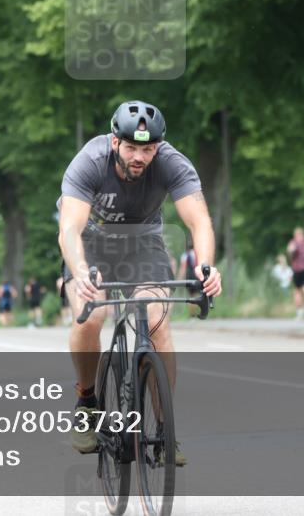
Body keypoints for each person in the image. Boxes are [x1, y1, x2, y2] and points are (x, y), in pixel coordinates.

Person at [59, 100, 222, 466]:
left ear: (158, 147)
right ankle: (87, 400)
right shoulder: (90, 161)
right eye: (131, 147)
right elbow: (69, 228)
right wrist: (81, 271)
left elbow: (200, 223)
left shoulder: (172, 163)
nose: (139, 156)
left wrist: (206, 266)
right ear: (115, 142)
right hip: (91, 244)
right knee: (89, 316)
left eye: (147, 149)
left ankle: (165, 430)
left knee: (157, 322)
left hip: (142, 244)